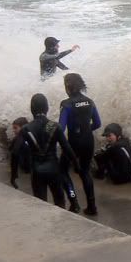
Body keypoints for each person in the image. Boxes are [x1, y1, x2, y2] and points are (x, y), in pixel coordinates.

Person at [19, 93, 78, 208]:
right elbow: (67, 148)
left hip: (37, 171)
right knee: (59, 202)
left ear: (32, 109)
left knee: (41, 205)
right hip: (53, 169)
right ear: (47, 108)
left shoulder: (26, 128)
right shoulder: (54, 126)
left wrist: (14, 175)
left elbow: (18, 151)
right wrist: (77, 165)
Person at [59, 73, 101, 215]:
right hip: (88, 141)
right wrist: (86, 130)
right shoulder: (90, 102)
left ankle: (74, 202)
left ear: (68, 87)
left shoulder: (66, 104)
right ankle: (92, 206)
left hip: (73, 143)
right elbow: (97, 123)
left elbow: (61, 128)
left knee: (62, 171)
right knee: (85, 172)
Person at [9, 116, 31, 189]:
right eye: (13, 128)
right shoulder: (32, 136)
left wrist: (13, 176)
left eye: (15, 128)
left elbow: (13, 153)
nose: (13, 130)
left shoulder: (19, 139)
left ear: (23, 128)